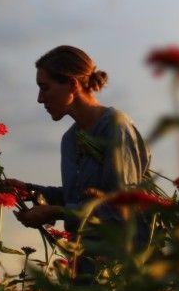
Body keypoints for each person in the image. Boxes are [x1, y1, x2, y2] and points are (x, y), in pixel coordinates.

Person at [13, 45, 152, 248]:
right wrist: (30, 191)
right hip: (84, 260)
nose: (40, 98)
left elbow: (122, 209)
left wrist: (57, 213)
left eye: (45, 87)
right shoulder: (70, 139)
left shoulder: (115, 128)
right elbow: (78, 197)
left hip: (121, 265)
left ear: (71, 84)